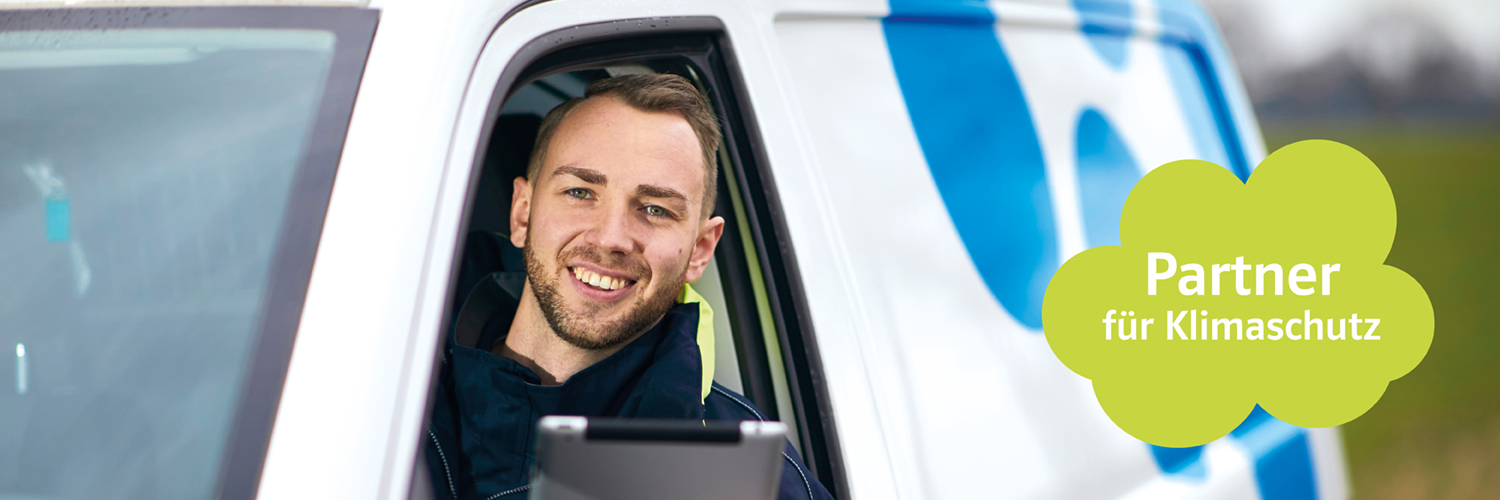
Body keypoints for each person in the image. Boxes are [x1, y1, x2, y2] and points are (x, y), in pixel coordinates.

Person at [423, 74, 835, 500]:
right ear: (523, 215)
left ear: (699, 250)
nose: (610, 238)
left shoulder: (755, 485)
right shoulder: (377, 392)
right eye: (581, 192)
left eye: (655, 209)